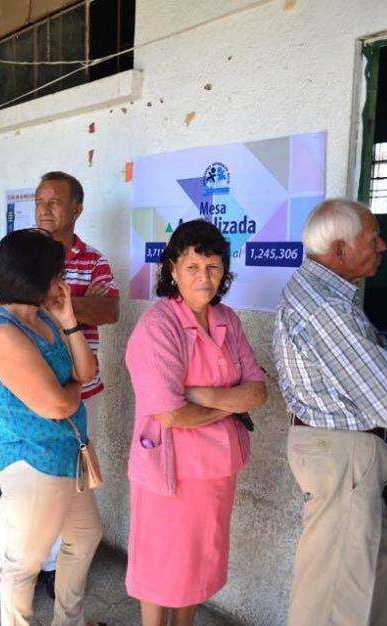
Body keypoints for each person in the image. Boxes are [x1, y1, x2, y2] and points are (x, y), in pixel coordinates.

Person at [274, 199, 387, 626]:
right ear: (339, 249)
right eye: (372, 238)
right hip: (341, 457)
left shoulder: (326, 292)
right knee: (331, 602)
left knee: (384, 557)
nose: (382, 246)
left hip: (340, 453)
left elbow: (381, 353)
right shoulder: (327, 308)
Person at [0, 171, 120, 602]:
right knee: (24, 556)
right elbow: (62, 400)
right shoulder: (5, 330)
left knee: (83, 536)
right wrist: (74, 388)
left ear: (76, 208)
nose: (44, 208)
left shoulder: (46, 315)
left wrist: (65, 316)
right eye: (39, 201)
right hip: (36, 453)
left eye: (54, 201)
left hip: (67, 446)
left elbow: (89, 361)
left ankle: (68, 615)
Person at [125, 220, 267, 626]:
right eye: (192, 267)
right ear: (172, 269)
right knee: (160, 567)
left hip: (217, 470)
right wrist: (230, 405)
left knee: (197, 566)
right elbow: (171, 414)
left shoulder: (227, 319)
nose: (204, 277)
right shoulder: (158, 326)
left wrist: (200, 395)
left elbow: (257, 391)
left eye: (213, 267)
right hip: (171, 471)